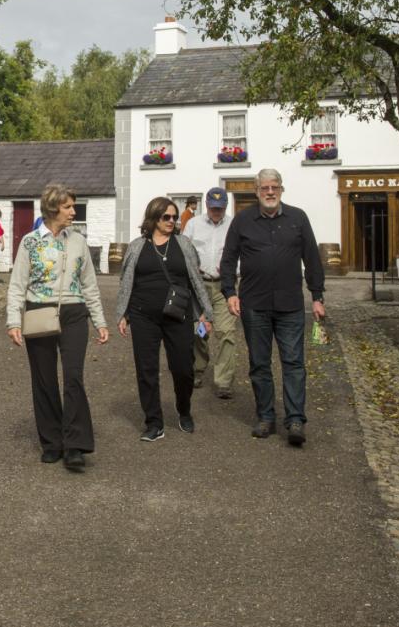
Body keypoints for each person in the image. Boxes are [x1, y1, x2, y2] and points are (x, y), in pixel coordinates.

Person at [219, 168, 327, 447]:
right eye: (264, 187)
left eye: (275, 187)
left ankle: (295, 420)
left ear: (281, 190)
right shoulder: (242, 221)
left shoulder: (298, 218)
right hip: (254, 305)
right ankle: (265, 416)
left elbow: (312, 259)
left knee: (294, 364)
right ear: (256, 192)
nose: (270, 192)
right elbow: (229, 259)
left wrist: (317, 296)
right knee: (259, 365)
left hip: (290, 305)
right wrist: (229, 292)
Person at [5, 184, 109, 471]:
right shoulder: (29, 242)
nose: (73, 212)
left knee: (74, 376)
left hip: (74, 313)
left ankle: (75, 445)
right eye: (68, 207)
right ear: (53, 209)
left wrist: (99, 320)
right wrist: (14, 320)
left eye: (73, 206)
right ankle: (52, 442)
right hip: (39, 311)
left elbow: (89, 284)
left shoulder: (78, 242)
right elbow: (17, 285)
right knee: (44, 378)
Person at [113, 196, 215, 441]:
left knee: (183, 369)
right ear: (153, 218)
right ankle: (154, 422)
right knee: (146, 369)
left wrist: (204, 312)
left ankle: (184, 409)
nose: (171, 221)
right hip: (142, 316)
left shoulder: (183, 244)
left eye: (174, 217)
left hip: (177, 315)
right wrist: (123, 313)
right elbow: (127, 281)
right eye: (165, 217)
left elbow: (194, 279)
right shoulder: (137, 246)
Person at [185, 187, 236, 400]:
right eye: (213, 208)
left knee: (226, 333)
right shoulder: (193, 225)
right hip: (199, 285)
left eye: (221, 208)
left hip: (225, 286)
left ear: (226, 206)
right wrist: (191, 267)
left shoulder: (234, 224)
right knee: (199, 331)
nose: (217, 212)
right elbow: (184, 250)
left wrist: (235, 269)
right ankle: (198, 370)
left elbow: (241, 252)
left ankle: (223, 381)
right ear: (206, 206)